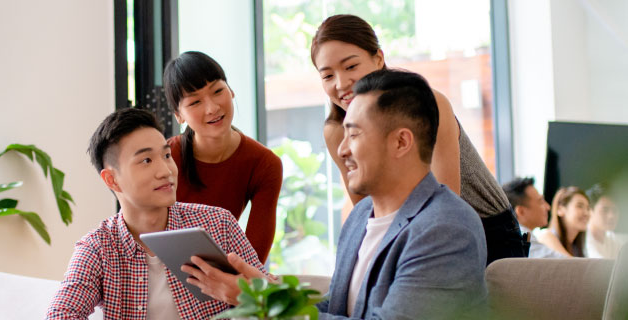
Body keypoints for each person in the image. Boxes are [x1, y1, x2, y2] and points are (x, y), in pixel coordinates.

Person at [182, 70, 488, 319]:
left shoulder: (445, 228)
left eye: (354, 134)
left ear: (401, 142)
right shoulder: (360, 216)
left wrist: (264, 303)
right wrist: (264, 291)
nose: (342, 150)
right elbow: (336, 311)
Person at [311, 14, 526, 264]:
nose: (341, 84)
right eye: (327, 76)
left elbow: (448, 208)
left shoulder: (428, 105)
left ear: (378, 59)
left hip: (484, 228)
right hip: (405, 237)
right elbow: (369, 214)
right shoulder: (337, 131)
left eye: (350, 67)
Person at [46, 108, 266, 320]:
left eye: (167, 155)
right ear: (112, 180)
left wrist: (249, 297)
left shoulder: (217, 223)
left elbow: (279, 300)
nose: (166, 171)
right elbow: (61, 313)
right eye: (146, 160)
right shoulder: (99, 247)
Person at [163, 51, 283, 262]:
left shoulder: (264, 164)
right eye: (195, 102)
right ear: (179, 115)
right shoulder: (165, 157)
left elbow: (253, 261)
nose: (212, 108)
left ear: (231, 91)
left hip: (225, 276)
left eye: (218, 91)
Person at [502, 177, 566, 258]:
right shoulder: (521, 238)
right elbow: (565, 265)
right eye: (541, 201)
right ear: (521, 211)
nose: (548, 207)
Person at [535, 187, 590, 257]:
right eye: (579, 206)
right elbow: (574, 266)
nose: (586, 213)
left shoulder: (576, 247)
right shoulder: (546, 236)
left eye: (588, 208)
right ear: (560, 209)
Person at [585, 184, 625, 259]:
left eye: (615, 210)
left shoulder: (612, 239)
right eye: (605, 210)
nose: (611, 216)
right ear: (590, 210)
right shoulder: (582, 240)